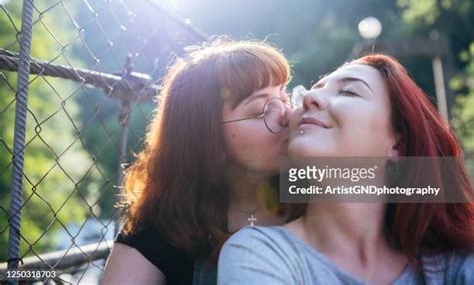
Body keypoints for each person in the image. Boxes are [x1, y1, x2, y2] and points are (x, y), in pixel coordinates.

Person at [218, 54, 474, 284]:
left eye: (349, 92)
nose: (308, 98)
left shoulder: (453, 261)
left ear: (398, 143)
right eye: (313, 90)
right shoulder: (258, 253)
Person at [100, 37, 304, 285]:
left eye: (284, 97)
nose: (289, 115)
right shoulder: (166, 221)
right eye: (262, 110)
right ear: (208, 139)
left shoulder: (323, 181)